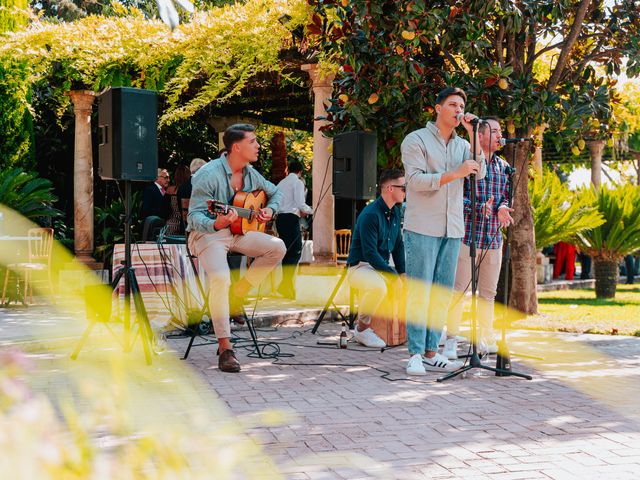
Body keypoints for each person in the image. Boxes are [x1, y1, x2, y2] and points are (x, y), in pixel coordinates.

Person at [187, 124, 286, 373]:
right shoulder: (207, 174)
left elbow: (276, 193)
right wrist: (216, 222)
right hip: (209, 234)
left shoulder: (251, 174)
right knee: (220, 278)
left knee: (277, 247)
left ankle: (238, 295)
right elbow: (194, 217)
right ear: (236, 147)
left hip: (240, 232)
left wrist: (270, 210)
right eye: (253, 141)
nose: (258, 146)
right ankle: (226, 347)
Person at [401, 86, 486, 376]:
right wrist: (455, 174)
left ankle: (430, 352)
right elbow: (414, 181)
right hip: (422, 226)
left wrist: (474, 135)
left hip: (452, 228)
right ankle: (413, 353)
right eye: (452, 104)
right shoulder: (416, 139)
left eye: (462, 105)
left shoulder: (464, 144)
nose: (458, 110)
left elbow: (481, 172)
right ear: (437, 108)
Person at [445, 117, 515, 360]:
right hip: (467, 237)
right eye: (494, 131)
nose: (499, 136)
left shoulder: (505, 167)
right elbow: (455, 197)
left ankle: (486, 336)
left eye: (500, 131)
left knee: (488, 294)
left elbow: (507, 196)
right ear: (481, 136)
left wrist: (503, 207)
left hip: (494, 238)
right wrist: (476, 208)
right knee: (459, 291)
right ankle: (451, 340)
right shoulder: (467, 163)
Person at [346, 169, 407, 348]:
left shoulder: (395, 212)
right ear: (389, 188)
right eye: (402, 187)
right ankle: (362, 329)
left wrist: (402, 273)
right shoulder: (370, 214)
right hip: (360, 267)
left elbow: (397, 246)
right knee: (377, 287)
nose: (405, 191)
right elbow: (370, 253)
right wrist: (392, 275)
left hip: (379, 266)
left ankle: (411, 331)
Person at [275, 161, 313, 300]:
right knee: (296, 250)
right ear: (300, 172)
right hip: (290, 218)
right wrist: (311, 210)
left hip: (280, 219)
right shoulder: (297, 183)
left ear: (288, 169)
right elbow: (300, 204)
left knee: (287, 252)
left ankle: (286, 287)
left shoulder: (281, 183)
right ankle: (285, 285)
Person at [165, 164, 191, 235]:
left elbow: (164, 210)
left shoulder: (170, 190)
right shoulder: (190, 190)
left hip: (171, 224)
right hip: (186, 224)